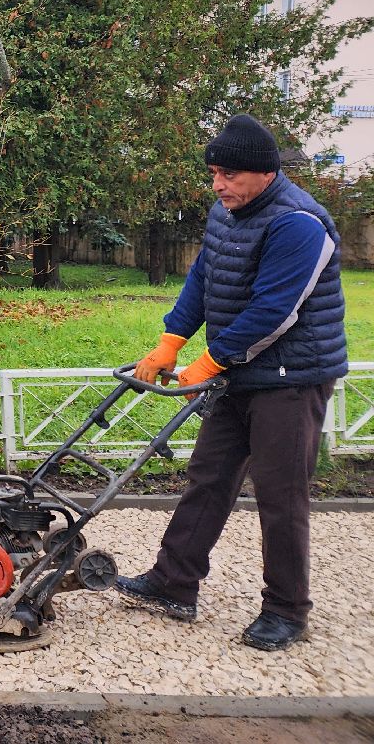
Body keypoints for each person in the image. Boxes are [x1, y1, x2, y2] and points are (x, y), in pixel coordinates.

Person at [117, 114, 346, 652]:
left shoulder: (299, 224)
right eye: (215, 173)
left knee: (280, 496)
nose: (219, 184)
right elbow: (206, 275)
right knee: (209, 477)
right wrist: (172, 340)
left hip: (292, 380)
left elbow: (274, 312)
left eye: (230, 175)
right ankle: (173, 584)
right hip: (238, 372)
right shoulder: (228, 211)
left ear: (264, 173)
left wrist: (206, 364)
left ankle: (287, 611)